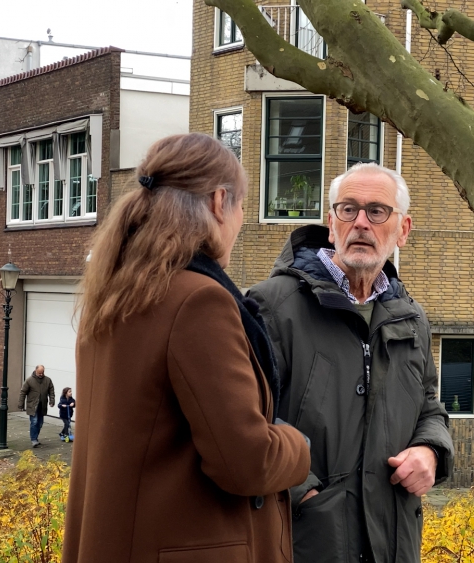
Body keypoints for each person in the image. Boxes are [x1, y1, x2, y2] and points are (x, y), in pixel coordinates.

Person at [62, 133, 311, 563]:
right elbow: (246, 461)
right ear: (219, 202)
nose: (242, 220)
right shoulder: (199, 301)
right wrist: (298, 445)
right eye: (242, 205)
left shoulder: (113, 296)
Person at [248, 162, 454, 563]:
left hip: (393, 541)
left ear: (403, 230)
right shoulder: (270, 306)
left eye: (377, 211)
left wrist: (430, 451)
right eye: (348, 209)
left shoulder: (411, 318)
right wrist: (304, 493)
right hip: (304, 539)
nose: (361, 222)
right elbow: (247, 418)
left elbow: (428, 407)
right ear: (331, 223)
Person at [18, 364, 54, 448]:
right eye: (39, 373)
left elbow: (51, 391)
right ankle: (33, 439)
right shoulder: (29, 380)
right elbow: (23, 392)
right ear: (35, 371)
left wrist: (52, 401)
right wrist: (21, 404)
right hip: (33, 405)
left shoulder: (47, 380)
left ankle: (36, 438)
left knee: (40, 423)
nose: (41, 374)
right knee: (34, 422)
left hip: (42, 405)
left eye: (42, 373)